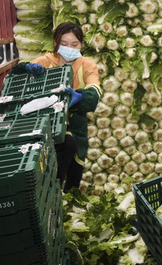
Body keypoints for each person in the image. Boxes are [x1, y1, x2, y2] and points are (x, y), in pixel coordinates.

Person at [14, 22, 101, 192]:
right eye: (64, 44)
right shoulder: (46, 61)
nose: (70, 48)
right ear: (56, 43)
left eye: (75, 44)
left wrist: (81, 96)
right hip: (45, 126)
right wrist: (26, 68)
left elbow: (95, 92)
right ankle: (51, 195)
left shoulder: (87, 65)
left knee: (74, 176)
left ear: (81, 44)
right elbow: (16, 77)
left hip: (76, 127)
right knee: (61, 153)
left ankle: (66, 200)